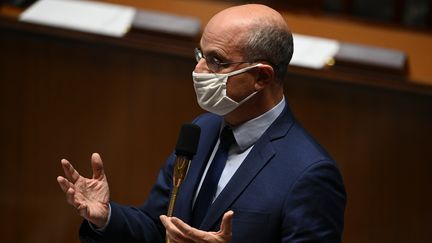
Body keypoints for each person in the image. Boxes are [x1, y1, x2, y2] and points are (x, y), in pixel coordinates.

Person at [57, 4, 346, 243]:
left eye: (216, 61)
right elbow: (160, 228)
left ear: (262, 77)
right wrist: (106, 216)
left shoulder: (310, 174)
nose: (199, 70)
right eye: (200, 55)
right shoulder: (202, 130)